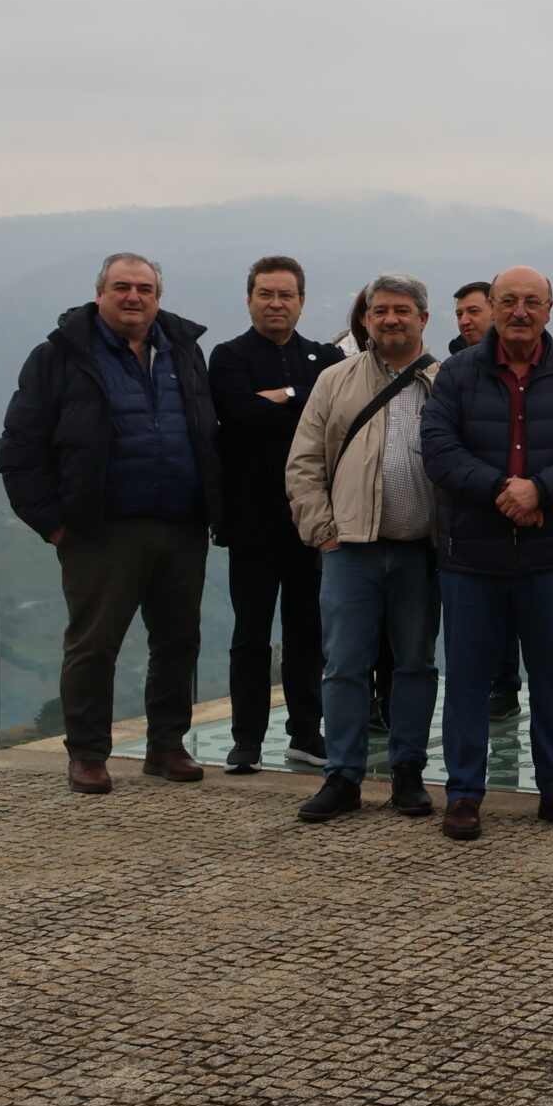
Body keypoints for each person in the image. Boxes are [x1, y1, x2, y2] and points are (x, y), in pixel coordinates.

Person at [0, 252, 222, 795]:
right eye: (121, 286)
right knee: (94, 646)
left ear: (158, 297)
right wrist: (54, 526)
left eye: (144, 288)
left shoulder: (184, 351)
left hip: (180, 524)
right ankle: (88, 754)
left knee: (178, 642)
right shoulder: (59, 357)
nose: (133, 297)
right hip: (99, 531)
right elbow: (19, 450)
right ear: (99, 293)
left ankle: (166, 746)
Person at [419, 265, 553, 841]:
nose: (520, 311)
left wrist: (543, 492)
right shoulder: (455, 374)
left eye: (533, 301)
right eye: (509, 301)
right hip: (472, 557)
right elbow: (437, 448)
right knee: (467, 679)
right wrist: (504, 492)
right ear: (493, 307)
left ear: (551, 310)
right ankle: (463, 794)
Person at [282, 273, 441, 822]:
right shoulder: (335, 380)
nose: (391, 319)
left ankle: (408, 772)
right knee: (344, 665)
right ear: (366, 319)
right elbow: (304, 462)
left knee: (416, 665)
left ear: (424, 318)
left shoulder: (445, 383)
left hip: (422, 550)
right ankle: (343, 776)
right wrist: (321, 529)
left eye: (402, 311)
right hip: (350, 549)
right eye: (381, 311)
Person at [208, 255, 343, 771]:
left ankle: (306, 733)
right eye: (266, 294)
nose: (276, 303)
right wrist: (302, 406)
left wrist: (284, 396)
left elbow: (332, 413)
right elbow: (239, 414)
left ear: (302, 302)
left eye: (286, 294)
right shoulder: (228, 356)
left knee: (308, 633)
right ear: (249, 300)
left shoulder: (325, 355)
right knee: (251, 635)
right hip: (251, 520)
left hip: (311, 521)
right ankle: (246, 741)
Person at [448, 281, 492, 356]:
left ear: (494, 311)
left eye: (473, 311)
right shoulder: (452, 365)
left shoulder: (516, 360)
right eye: (459, 314)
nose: (464, 321)